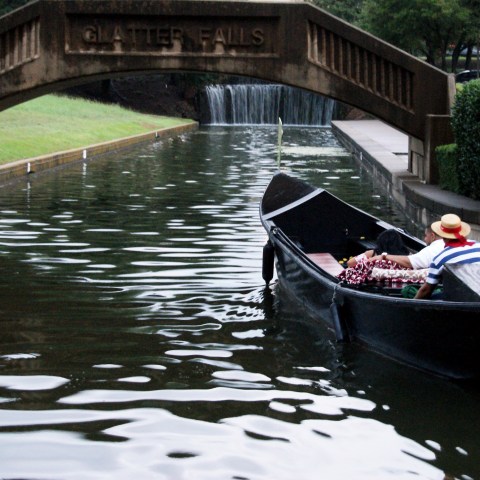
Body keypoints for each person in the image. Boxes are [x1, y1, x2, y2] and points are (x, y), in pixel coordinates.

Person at [414, 214, 480, 299]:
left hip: (465, 300)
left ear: (443, 235)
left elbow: (426, 290)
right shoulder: (478, 245)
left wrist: (410, 307)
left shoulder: (441, 258)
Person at [369, 226, 444, 269]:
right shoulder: (447, 247)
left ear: (433, 236)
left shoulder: (431, 250)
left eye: (425, 236)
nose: (424, 239)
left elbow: (410, 262)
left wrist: (384, 256)